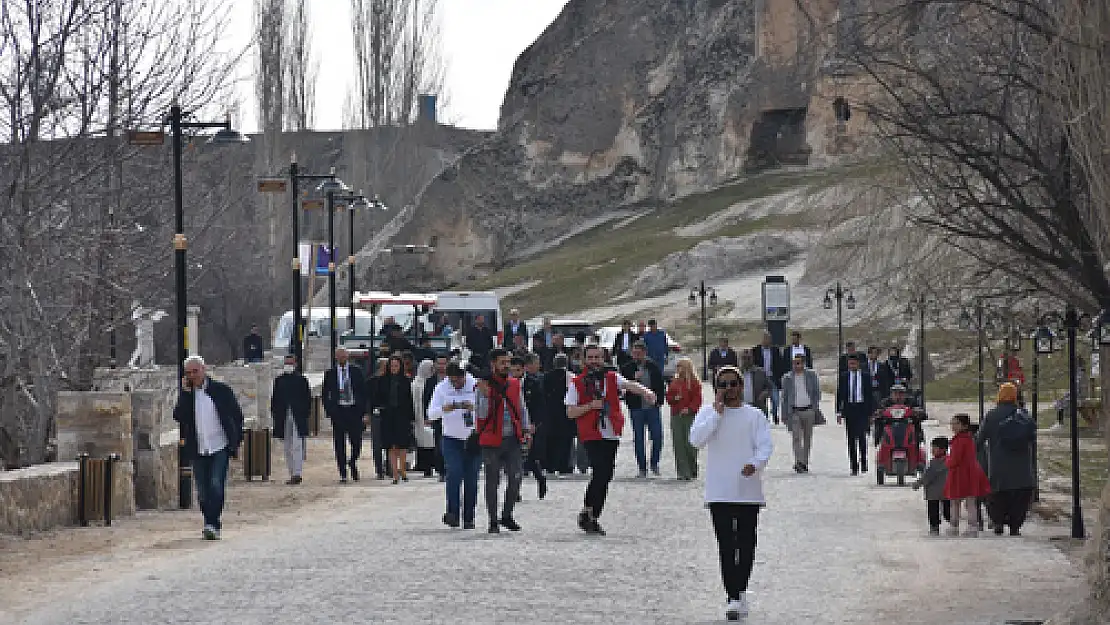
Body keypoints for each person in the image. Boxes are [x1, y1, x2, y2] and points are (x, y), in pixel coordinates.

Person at [689, 366, 773, 621]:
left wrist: (755, 464)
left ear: (741, 386)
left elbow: (765, 446)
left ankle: (741, 589)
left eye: (732, 384)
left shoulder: (754, 415)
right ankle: (733, 596)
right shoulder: (708, 412)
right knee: (726, 545)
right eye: (723, 385)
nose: (728, 389)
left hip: (747, 490)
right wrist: (715, 414)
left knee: (746, 544)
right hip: (719, 491)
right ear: (716, 389)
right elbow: (695, 440)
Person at [565, 344, 657, 535]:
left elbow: (630, 385)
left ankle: (592, 514)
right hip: (591, 432)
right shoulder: (578, 382)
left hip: (610, 431)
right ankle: (588, 510)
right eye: (590, 358)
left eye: (597, 357)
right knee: (600, 470)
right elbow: (571, 412)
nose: (594, 361)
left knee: (606, 474)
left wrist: (646, 392)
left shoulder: (611, 377)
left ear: (603, 359)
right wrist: (591, 406)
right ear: (584, 360)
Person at [173, 355, 244, 540]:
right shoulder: (188, 395)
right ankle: (209, 521)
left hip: (219, 446)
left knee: (216, 484)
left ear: (204, 369)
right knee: (203, 491)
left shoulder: (221, 390)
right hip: (198, 448)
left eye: (195, 371)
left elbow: (236, 417)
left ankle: (213, 523)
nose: (192, 376)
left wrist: (235, 442)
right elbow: (179, 416)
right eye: (188, 373)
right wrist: (186, 394)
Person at [475, 349, 532, 533]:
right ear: (493, 364)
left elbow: (521, 408)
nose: (506, 365)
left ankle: (506, 515)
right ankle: (493, 520)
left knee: (516, 477)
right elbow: (481, 414)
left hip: (513, 438)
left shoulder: (514, 384)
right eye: (502, 362)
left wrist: (526, 429)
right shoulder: (483, 386)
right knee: (492, 481)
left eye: (507, 362)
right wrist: (484, 395)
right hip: (491, 440)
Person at [977, 383, 1036, 536]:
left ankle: (998, 522)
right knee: (1020, 496)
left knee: (996, 495)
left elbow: (980, 439)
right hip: (1021, 465)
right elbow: (1032, 437)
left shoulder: (991, 415)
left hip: (998, 464)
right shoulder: (1023, 414)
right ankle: (1015, 526)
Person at [428, 362, 481, 529]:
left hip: (473, 439)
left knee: (472, 478)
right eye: (453, 381)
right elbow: (431, 413)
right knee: (454, 473)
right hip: (451, 438)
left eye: (459, 380)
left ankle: (469, 517)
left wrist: (473, 408)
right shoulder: (441, 388)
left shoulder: (477, 386)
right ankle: (452, 513)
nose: (456, 384)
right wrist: (446, 408)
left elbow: (489, 410)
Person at [620, 341, 667, 477]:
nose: (636, 356)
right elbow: (623, 385)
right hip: (636, 408)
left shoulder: (653, 366)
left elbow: (660, 385)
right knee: (639, 438)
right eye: (634, 353)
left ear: (645, 353)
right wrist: (633, 378)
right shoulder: (627, 368)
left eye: (639, 353)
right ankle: (642, 467)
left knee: (657, 436)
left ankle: (654, 463)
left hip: (652, 407)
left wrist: (658, 401)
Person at [322, 347, 368, 483]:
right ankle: (342, 472)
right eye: (339, 356)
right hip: (339, 411)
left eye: (344, 355)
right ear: (336, 357)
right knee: (339, 443)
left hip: (354, 410)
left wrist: (363, 410)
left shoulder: (356, 371)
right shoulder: (330, 373)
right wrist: (330, 410)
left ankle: (352, 461)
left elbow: (363, 391)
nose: (342, 358)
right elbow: (326, 393)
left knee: (356, 441)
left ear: (347, 356)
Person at [944, 413, 991, 537]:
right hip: (971, 472)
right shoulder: (969, 439)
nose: (953, 426)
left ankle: (954, 526)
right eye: (952, 423)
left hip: (960, 473)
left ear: (964, 426)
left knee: (955, 501)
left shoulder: (959, 441)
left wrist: (947, 461)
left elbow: (955, 459)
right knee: (971, 501)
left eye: (957, 423)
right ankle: (972, 526)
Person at [270, 354, 311, 485]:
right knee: (287, 446)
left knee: (297, 444)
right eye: (286, 363)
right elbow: (275, 399)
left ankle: (297, 473)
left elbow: (307, 399)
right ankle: (291, 472)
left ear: (295, 364)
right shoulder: (279, 380)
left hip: (297, 416)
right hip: (283, 416)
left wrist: (304, 414)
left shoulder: (301, 380)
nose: (288, 366)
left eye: (290, 363)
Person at [376, 355, 416, 484]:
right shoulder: (382, 380)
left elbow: (409, 400)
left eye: (396, 366)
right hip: (388, 417)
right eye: (392, 366)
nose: (394, 368)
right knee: (391, 446)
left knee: (403, 445)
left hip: (402, 416)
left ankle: (402, 470)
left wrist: (411, 417)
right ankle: (394, 474)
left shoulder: (406, 380)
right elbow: (378, 398)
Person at [780, 354, 820, 473]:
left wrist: (814, 407)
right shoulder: (787, 378)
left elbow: (817, 392)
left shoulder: (811, 375)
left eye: (799, 363)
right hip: (794, 411)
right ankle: (799, 461)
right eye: (794, 363)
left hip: (808, 410)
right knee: (796, 437)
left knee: (807, 438)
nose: (796, 365)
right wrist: (784, 414)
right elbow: (784, 397)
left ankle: (804, 462)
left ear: (804, 363)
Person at [836, 354, 874, 475]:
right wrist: (838, 411)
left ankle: (863, 461)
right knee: (851, 438)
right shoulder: (844, 376)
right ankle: (853, 465)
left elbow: (870, 395)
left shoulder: (866, 376)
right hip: (849, 409)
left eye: (853, 363)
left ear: (858, 364)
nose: (851, 365)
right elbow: (840, 394)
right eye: (849, 363)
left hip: (862, 408)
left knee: (862, 436)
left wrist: (871, 412)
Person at [666, 357, 703, 480]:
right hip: (676, 416)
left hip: (690, 416)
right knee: (679, 444)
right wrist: (674, 399)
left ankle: (692, 468)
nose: (678, 369)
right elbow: (669, 397)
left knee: (690, 444)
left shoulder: (694, 382)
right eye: (677, 366)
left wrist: (690, 408)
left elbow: (698, 399)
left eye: (680, 366)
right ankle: (683, 472)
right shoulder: (674, 381)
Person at [522, 353, 549, 499]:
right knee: (516, 457)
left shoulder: (536, 381)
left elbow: (540, 405)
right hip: (514, 423)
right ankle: (515, 489)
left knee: (529, 456)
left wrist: (535, 423)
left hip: (531, 423)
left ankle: (540, 478)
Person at [543, 353, 574, 476]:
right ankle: (564, 465)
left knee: (551, 439)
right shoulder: (571, 376)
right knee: (566, 440)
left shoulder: (546, 376)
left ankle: (550, 465)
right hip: (566, 411)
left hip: (550, 412)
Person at [912, 436, 951, 535]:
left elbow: (927, 476)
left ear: (943, 449)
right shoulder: (950, 460)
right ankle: (953, 523)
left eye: (935, 448)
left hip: (933, 492)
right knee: (948, 510)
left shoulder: (934, 463)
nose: (932, 450)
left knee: (933, 510)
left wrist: (918, 483)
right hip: (947, 491)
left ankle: (934, 527)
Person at [751, 331, 788, 424]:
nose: (768, 341)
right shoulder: (755, 351)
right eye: (766, 338)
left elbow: (780, 364)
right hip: (760, 379)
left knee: (775, 399)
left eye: (769, 339)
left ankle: (775, 414)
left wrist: (780, 377)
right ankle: (765, 417)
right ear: (762, 339)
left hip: (773, 378)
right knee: (762, 399)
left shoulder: (775, 350)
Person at [423, 355, 449, 481]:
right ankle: (441, 471)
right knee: (438, 445)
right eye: (439, 363)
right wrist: (427, 416)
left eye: (444, 363)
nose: (441, 366)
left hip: (451, 417)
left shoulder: (453, 380)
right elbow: (426, 399)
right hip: (437, 417)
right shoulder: (430, 381)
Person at [411, 359, 437, 477]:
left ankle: (431, 465)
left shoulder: (431, 382)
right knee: (422, 441)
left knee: (430, 441)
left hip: (427, 415)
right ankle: (423, 465)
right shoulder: (416, 383)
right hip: (419, 415)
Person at [738, 349, 772, 417]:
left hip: (758, 408)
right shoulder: (736, 373)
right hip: (741, 408)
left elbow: (769, 388)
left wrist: (765, 393)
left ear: (752, 358)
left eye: (749, 358)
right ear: (740, 359)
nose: (746, 361)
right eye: (744, 358)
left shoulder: (760, 372)